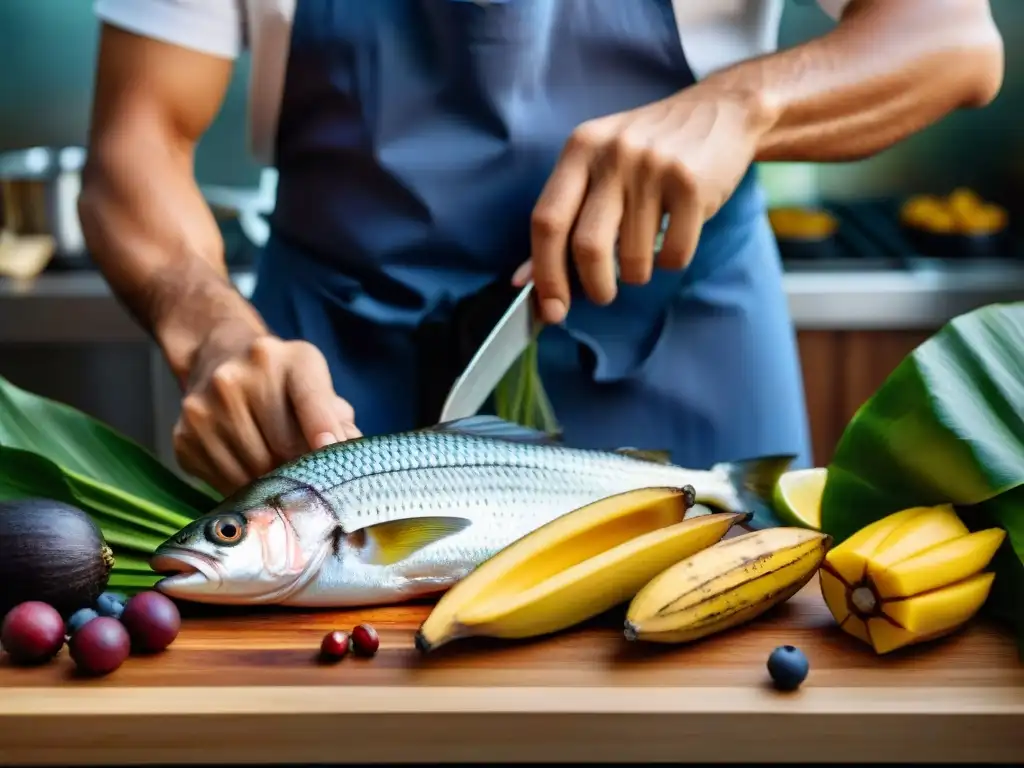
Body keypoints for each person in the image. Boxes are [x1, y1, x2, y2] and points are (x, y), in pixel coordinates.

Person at [79, 0, 1004, 496]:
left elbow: (953, 37)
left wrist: (739, 104)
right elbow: (136, 142)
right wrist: (210, 335)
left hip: (687, 375)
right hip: (328, 400)